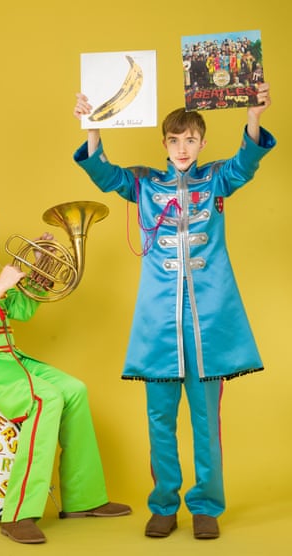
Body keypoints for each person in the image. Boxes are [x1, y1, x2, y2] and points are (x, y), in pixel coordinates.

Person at [73, 83, 275, 540]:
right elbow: (105, 176)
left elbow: (247, 162)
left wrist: (253, 117)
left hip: (208, 327)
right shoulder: (145, 183)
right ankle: (164, 503)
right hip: (159, 327)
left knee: (206, 422)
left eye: (190, 140)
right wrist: (92, 129)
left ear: (202, 144)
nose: (182, 148)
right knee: (159, 420)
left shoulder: (217, 178)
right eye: (174, 140)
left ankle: (206, 506)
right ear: (163, 144)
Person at [0, 196, 131, 544]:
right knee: (44, 399)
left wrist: (37, 276)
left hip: (5, 360)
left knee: (74, 389)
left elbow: (22, 312)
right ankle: (18, 515)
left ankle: (83, 498)